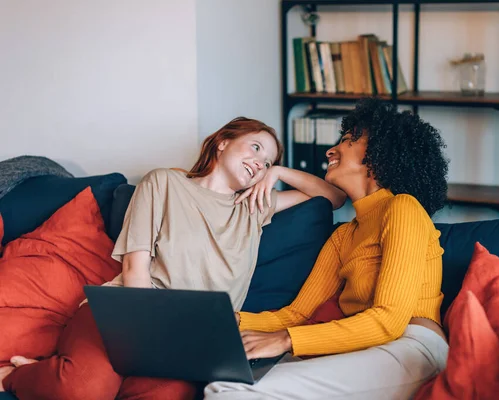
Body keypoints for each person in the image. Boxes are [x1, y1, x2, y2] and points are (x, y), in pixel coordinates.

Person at [0, 117, 346, 399]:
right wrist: (142, 338)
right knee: (82, 390)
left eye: (268, 160)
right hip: (127, 312)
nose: (260, 162)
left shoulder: (255, 209)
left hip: (190, 337)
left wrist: (278, 174)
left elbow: (333, 197)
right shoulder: (163, 183)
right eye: (255, 148)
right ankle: (20, 375)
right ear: (223, 142)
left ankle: (63, 370)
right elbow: (135, 268)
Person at [204, 98, 451, 400]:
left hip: (413, 347)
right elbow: (295, 313)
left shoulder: (402, 208)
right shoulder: (345, 235)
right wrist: (227, 318)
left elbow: (388, 320)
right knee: (224, 379)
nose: (331, 150)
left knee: (232, 392)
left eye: (348, 140)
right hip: (362, 346)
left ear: (379, 154)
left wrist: (285, 341)